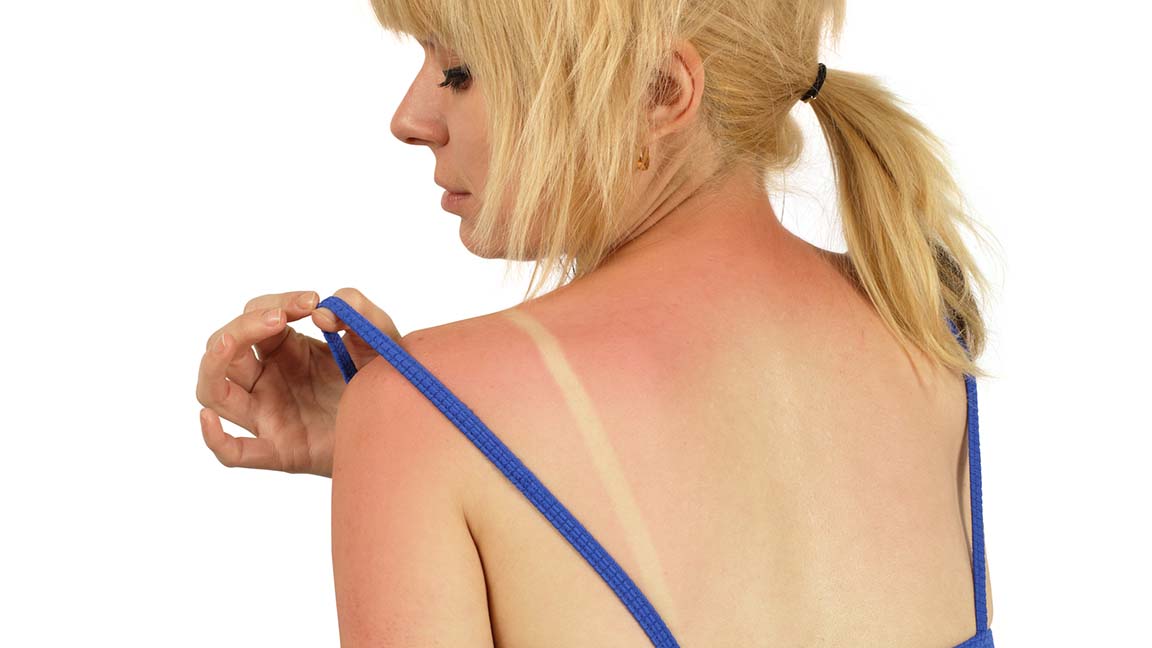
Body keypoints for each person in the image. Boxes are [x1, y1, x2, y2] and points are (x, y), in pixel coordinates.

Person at [196, 1, 997, 645]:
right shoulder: (921, 322)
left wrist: (410, 438)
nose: (410, 118)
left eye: (460, 71)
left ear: (661, 92)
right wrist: (417, 447)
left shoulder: (422, 417)